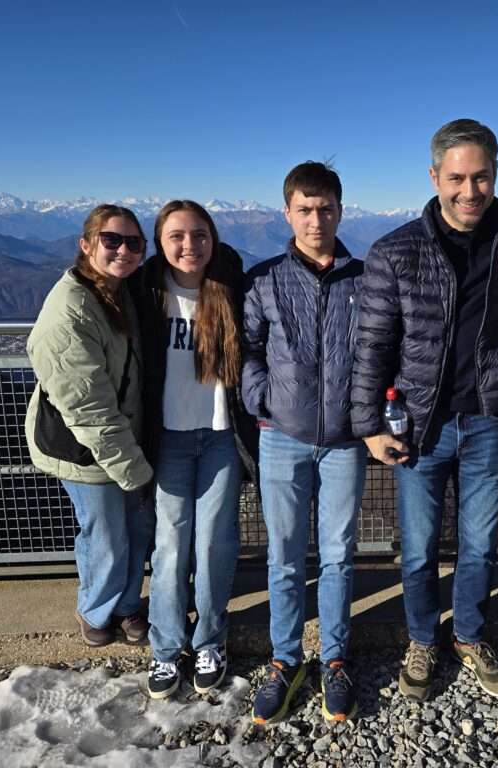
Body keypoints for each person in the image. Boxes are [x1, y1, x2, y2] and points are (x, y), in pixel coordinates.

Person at [351, 119, 498, 701]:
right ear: (434, 177)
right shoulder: (395, 251)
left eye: (481, 176)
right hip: (419, 427)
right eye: (457, 178)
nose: (470, 190)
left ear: (496, 174)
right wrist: (368, 427)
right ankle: (423, 638)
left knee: (479, 545)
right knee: (420, 545)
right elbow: (372, 344)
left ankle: (470, 635)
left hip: (488, 420)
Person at [242, 162, 366, 723]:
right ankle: (286, 659)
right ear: (287, 212)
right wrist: (262, 400)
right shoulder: (263, 279)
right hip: (281, 437)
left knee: (338, 555)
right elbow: (245, 349)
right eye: (305, 209)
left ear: (340, 211)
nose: (316, 219)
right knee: (285, 558)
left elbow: (381, 352)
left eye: (326, 209)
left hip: (344, 441)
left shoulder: (365, 280)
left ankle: (335, 658)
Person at [129, 200, 256, 699]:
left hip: (222, 433)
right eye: (177, 236)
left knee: (213, 544)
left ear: (214, 238)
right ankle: (165, 648)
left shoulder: (229, 286)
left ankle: (209, 640)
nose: (189, 246)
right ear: (160, 241)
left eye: (199, 235)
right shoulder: (144, 291)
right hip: (168, 437)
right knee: (171, 546)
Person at [25, 204, 153, 648]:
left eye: (133, 242)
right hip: (83, 447)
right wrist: (134, 471)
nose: (123, 249)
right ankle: (95, 610)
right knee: (106, 533)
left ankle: (126, 606)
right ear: (86, 244)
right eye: (111, 240)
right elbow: (89, 409)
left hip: (122, 437)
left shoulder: (117, 291)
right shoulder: (70, 311)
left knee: (135, 527)